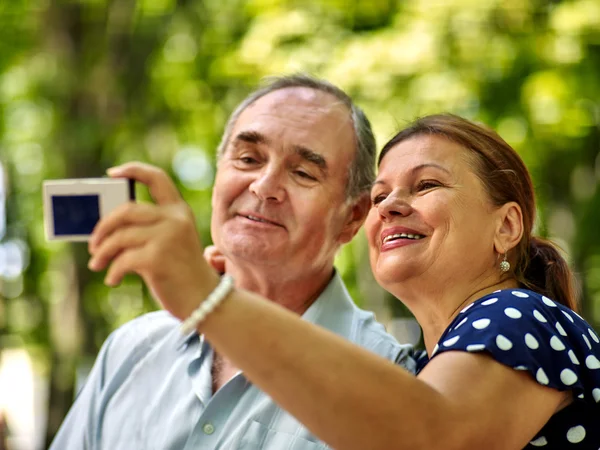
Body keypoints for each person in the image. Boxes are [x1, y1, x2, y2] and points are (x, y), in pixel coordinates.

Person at [87, 113, 600, 449]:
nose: (392, 205)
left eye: (426, 185)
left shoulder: (518, 316)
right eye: (379, 197)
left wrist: (210, 301)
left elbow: (431, 436)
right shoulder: (424, 364)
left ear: (506, 226)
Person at [49, 75, 414, 449]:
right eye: (248, 159)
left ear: (353, 217)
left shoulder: (391, 379)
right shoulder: (132, 348)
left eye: (303, 172)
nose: (264, 186)